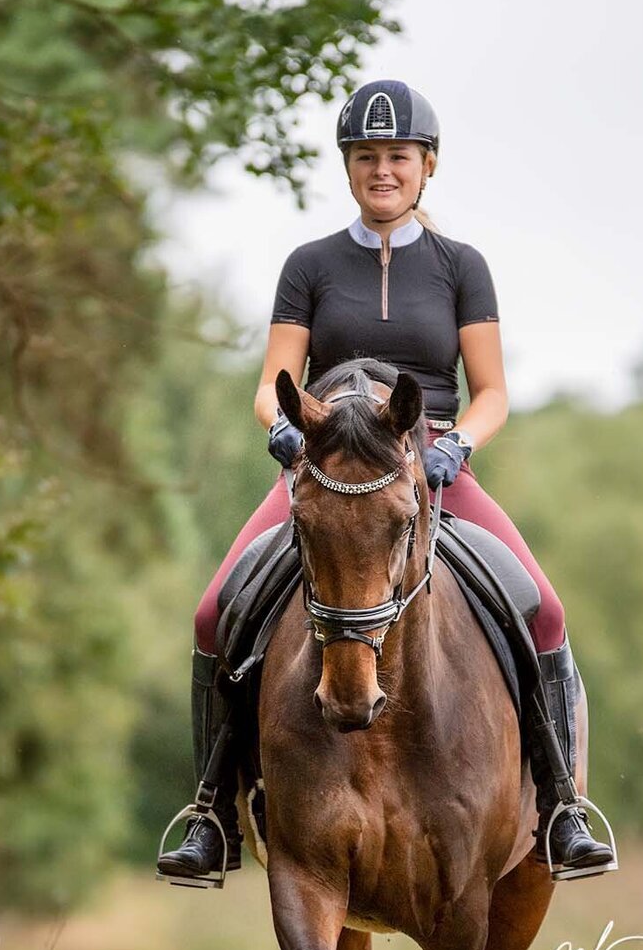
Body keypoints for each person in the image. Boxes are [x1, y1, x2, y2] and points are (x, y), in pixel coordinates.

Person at [157, 78, 615, 886]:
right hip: (327, 459)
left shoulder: (460, 267)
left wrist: (456, 447)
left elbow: (493, 392)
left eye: (397, 156)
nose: (382, 170)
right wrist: (287, 431)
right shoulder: (310, 265)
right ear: (348, 166)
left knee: (543, 608)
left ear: (427, 165)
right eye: (366, 157)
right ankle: (211, 814)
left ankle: (562, 806)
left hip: (427, 461)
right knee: (210, 611)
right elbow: (272, 383)